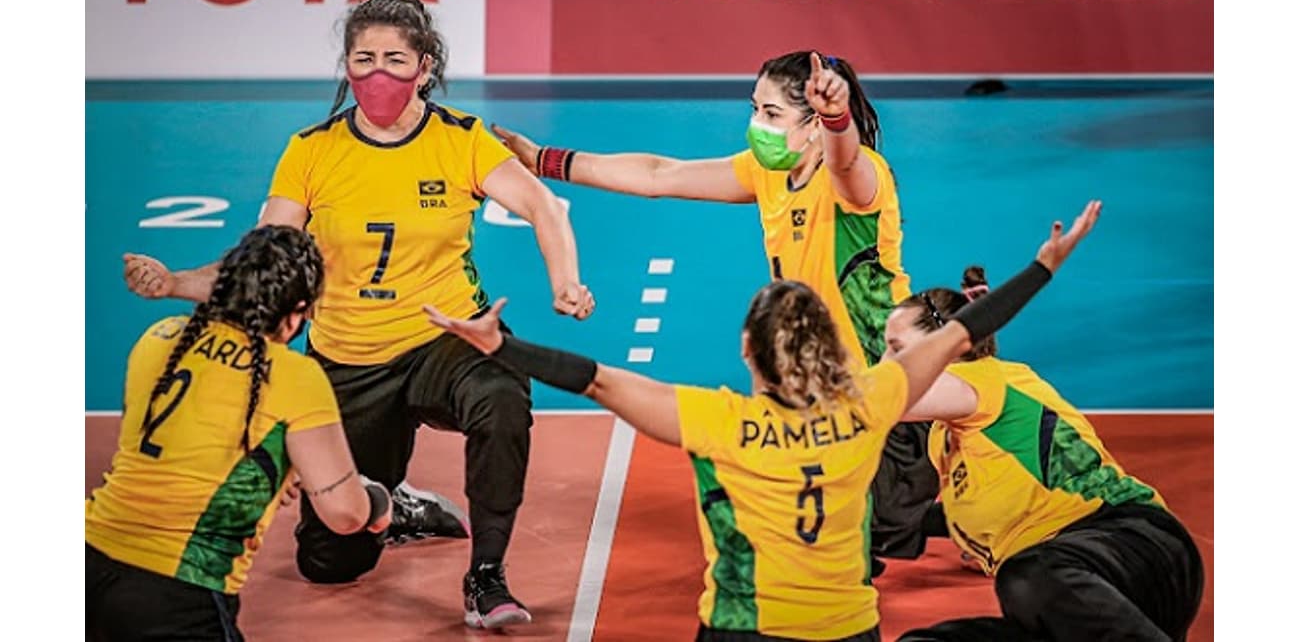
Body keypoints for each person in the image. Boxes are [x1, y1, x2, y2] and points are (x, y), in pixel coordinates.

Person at [120, 0, 594, 629]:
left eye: (396, 60)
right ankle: (393, 506)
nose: (378, 74)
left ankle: (486, 575)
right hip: (347, 357)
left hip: (447, 336)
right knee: (329, 560)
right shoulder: (312, 150)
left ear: (426, 67)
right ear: (346, 66)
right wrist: (175, 282)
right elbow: (266, 261)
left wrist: (565, 282)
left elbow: (539, 205)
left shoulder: (462, 140)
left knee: (502, 398)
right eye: (363, 58)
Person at [425, 202, 1102, 642]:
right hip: (848, 631)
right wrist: (1042, 268)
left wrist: (499, 346)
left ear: (748, 351)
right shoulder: (870, 404)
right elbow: (961, 333)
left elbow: (596, 378)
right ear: (833, 350)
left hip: (744, 630)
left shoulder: (717, 420)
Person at [492, 50, 937, 569]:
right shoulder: (768, 172)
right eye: (755, 109)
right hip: (805, 388)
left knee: (866, 535)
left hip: (873, 391)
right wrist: (545, 159)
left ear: (814, 124)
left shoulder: (858, 182)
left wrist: (839, 118)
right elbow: (661, 174)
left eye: (772, 115)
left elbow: (846, 161)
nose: (756, 126)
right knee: (810, 527)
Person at [88, 226, 393, 642]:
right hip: (177, 589)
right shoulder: (293, 376)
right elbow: (344, 513)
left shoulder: (158, 338)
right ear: (295, 312)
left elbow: (175, 445)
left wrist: (273, 474)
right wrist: (377, 502)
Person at [884, 250, 1204, 642]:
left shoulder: (985, 379)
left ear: (942, 347)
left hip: (1137, 549)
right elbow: (957, 517)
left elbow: (886, 397)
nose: (885, 362)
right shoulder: (944, 439)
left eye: (897, 349)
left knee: (1027, 575)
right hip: (1071, 596)